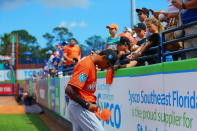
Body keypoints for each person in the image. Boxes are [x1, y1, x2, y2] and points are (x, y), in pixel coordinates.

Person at [65, 49, 118, 131]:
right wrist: (87, 105)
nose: (107, 67)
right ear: (103, 57)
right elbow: (69, 90)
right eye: (108, 64)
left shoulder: (91, 63)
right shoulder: (86, 65)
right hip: (80, 106)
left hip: (78, 104)